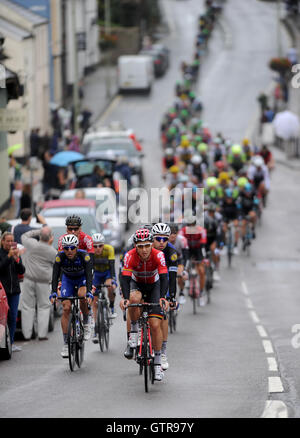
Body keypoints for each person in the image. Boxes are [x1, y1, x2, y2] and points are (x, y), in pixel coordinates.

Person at [119, 228, 169, 381]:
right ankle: (134, 334)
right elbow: (125, 279)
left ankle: (158, 363)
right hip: (137, 284)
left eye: (147, 245)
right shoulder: (129, 256)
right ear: (135, 246)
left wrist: (162, 297)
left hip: (154, 286)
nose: (144, 249)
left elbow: (164, 277)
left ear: (152, 245)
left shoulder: (159, 255)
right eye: (140, 246)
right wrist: (125, 298)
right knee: (133, 299)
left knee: (155, 325)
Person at [50, 234, 94, 358]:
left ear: (76, 247)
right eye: (66, 248)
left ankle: (86, 321)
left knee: (82, 295)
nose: (69, 251)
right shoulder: (59, 257)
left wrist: (89, 291)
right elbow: (55, 275)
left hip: (82, 279)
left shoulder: (84, 256)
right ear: (63, 248)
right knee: (66, 307)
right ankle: (65, 343)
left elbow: (89, 275)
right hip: (67, 280)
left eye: (72, 248)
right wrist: (53, 291)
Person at [20, 227, 57, 340]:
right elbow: (56, 265)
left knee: (27, 307)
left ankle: (27, 335)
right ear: (50, 238)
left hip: (29, 279)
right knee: (44, 307)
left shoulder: (32, 244)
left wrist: (38, 231)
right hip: (44, 282)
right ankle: (42, 334)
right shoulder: (52, 251)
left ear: (40, 236)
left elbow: (24, 236)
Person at [152, 223, 178, 372]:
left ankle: (163, 352)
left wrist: (172, 297)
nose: (162, 242)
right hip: (148, 280)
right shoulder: (147, 249)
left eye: (165, 239)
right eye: (158, 239)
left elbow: (172, 277)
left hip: (164, 282)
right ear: (153, 238)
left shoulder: (172, 252)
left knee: (162, 315)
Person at [0, 232, 26, 351]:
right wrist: (9, 257)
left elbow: (22, 270)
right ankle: (3, 343)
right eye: (8, 241)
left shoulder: (15, 254)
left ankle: (10, 343)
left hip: (14, 290)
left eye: (12, 241)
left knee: (13, 316)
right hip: (3, 291)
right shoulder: (1, 254)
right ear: (2, 241)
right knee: (3, 317)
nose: (10, 243)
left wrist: (16, 260)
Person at [91, 233, 117, 344]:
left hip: (106, 273)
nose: (97, 249)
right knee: (94, 301)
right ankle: (96, 329)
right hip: (96, 274)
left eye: (100, 246)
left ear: (103, 245)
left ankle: (111, 306)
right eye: (95, 246)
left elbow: (112, 266)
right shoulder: (90, 251)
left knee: (110, 287)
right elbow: (90, 268)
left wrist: (113, 280)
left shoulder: (109, 249)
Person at [179, 213, 208, 306]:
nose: (191, 227)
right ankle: (183, 290)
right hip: (187, 249)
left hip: (198, 249)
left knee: (201, 271)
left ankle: (202, 293)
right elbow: (181, 242)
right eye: (189, 225)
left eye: (193, 225)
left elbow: (203, 243)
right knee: (183, 269)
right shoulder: (182, 231)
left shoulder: (201, 230)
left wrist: (204, 258)